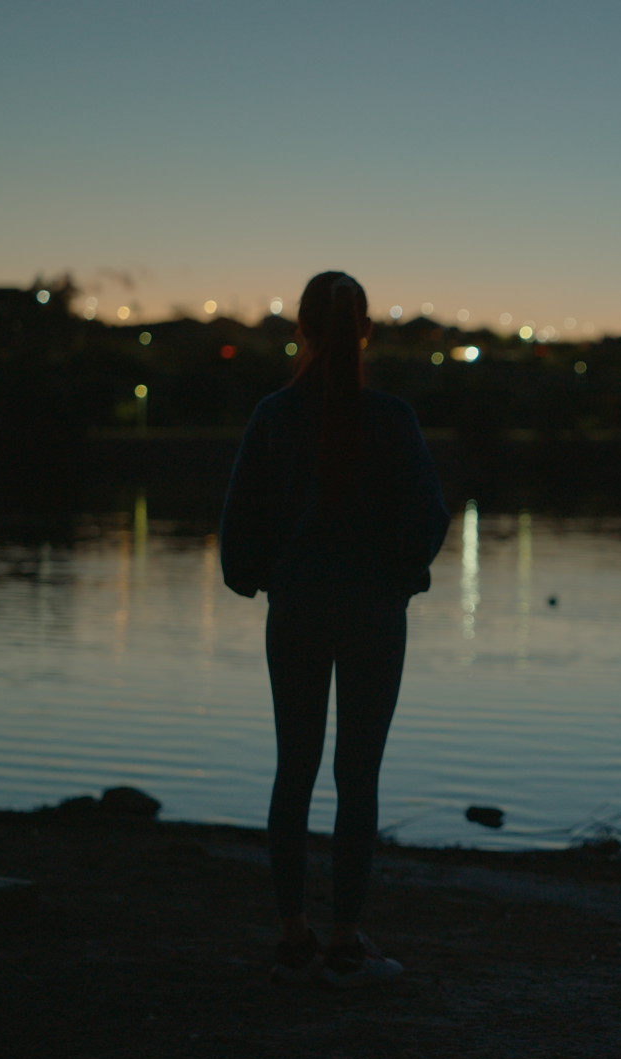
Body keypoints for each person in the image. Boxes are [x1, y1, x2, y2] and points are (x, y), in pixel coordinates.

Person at [219, 271, 449, 987]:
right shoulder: (392, 417)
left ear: (303, 332)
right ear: (366, 332)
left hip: (296, 610)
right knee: (358, 776)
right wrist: (398, 575)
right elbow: (428, 523)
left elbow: (237, 541)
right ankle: (346, 939)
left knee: (295, 769)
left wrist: (266, 576)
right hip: (373, 614)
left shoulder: (273, 414)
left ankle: (293, 935)